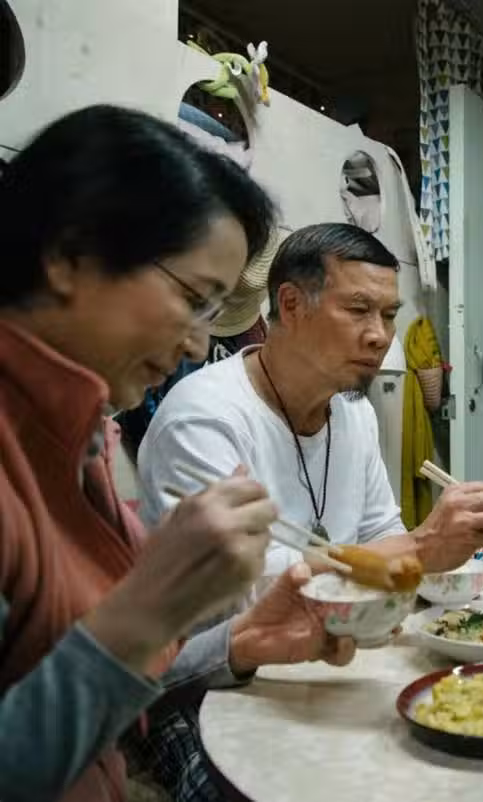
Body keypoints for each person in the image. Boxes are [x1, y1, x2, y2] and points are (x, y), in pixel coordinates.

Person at [0, 105, 287, 802]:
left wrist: (246, 637)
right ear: (70, 255)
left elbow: (109, 669)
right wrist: (154, 604)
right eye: (194, 299)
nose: (198, 343)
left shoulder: (83, 427)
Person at [138, 223, 483, 580]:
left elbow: (381, 534)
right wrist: (421, 546)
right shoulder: (205, 417)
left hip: (339, 635)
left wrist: (456, 544)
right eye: (358, 309)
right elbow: (240, 586)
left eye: (389, 315)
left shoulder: (353, 412)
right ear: (291, 305)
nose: (380, 336)